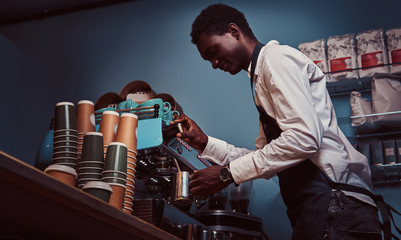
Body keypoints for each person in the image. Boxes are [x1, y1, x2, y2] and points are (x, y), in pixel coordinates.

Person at [174, 3, 386, 240]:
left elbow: (304, 139)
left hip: (336, 202)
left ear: (233, 31)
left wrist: (226, 174)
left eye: (213, 52)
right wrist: (205, 143)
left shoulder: (274, 60)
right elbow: (268, 157)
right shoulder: (260, 78)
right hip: (328, 207)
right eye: (208, 60)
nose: (214, 64)